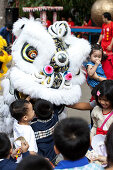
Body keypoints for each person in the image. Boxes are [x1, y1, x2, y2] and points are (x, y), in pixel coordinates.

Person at [31, 99, 58, 164]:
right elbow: (56, 104)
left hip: (42, 157)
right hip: (53, 153)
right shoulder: (55, 118)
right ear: (52, 111)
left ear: (35, 115)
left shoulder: (33, 127)